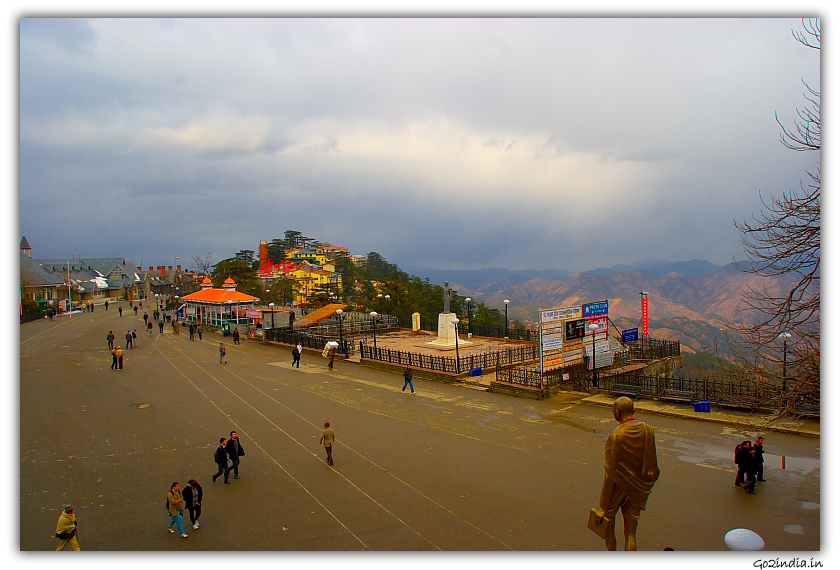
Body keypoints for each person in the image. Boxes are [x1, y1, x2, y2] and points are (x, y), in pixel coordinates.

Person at [593, 397, 660, 551]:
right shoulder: (647, 429)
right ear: (633, 411)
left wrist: (603, 506)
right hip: (638, 489)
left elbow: (610, 474)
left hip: (617, 489)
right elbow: (652, 465)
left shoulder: (616, 436)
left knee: (608, 527)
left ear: (617, 413)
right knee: (631, 534)